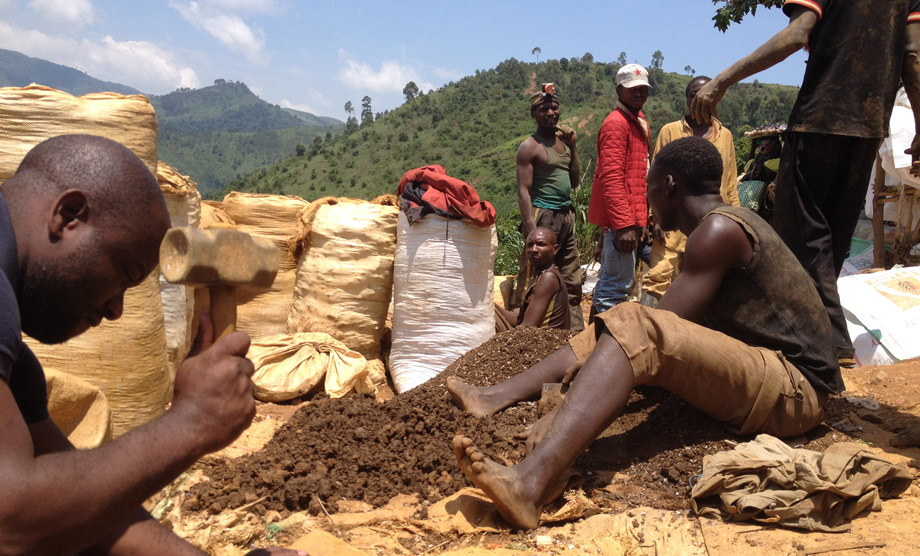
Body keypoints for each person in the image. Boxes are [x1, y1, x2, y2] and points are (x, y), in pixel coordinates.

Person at [447, 137, 840, 530]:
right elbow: (652, 329)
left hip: (798, 390)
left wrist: (566, 406)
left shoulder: (718, 232)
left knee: (635, 323)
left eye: (648, 187)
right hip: (770, 371)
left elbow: (653, 333)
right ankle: (492, 396)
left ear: (668, 185)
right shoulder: (721, 226)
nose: (647, 201)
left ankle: (529, 485)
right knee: (621, 316)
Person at [0, 135, 302, 556]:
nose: (115, 310)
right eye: (125, 271)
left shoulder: (17, 368)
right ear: (69, 216)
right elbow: (12, 522)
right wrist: (192, 422)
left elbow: (83, 514)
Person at [691, 0, 920, 365]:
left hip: (821, 116)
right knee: (835, 236)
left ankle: (833, 340)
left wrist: (724, 79)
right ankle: (820, 339)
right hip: (870, 125)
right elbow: (912, 55)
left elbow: (796, 35)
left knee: (801, 232)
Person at [640, 76, 741, 307]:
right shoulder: (670, 131)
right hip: (672, 229)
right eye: (692, 95)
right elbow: (655, 179)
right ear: (687, 100)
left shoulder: (725, 136)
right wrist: (654, 217)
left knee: (707, 288)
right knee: (657, 280)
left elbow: (730, 184)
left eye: (704, 94)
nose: (698, 99)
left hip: (711, 229)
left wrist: (735, 219)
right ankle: (646, 337)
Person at [515, 83, 585, 332]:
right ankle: (522, 333)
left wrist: (574, 147)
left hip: (565, 216)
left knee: (571, 276)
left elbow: (574, 181)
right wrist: (532, 229)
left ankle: (574, 336)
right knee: (532, 278)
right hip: (542, 215)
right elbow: (523, 190)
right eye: (544, 109)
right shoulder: (530, 147)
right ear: (533, 114)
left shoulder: (564, 144)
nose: (551, 113)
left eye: (554, 108)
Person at [588, 64, 651, 317]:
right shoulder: (617, 124)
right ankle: (600, 347)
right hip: (621, 223)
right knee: (616, 288)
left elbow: (640, 174)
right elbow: (611, 178)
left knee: (620, 282)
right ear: (619, 90)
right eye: (632, 89)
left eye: (643, 89)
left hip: (632, 219)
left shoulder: (638, 120)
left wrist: (642, 220)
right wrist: (624, 225)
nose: (639, 93)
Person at [497, 227, 571, 330]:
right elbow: (521, 319)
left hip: (545, 342)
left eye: (541, 244)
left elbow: (527, 327)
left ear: (555, 249)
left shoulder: (548, 278)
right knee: (487, 310)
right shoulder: (540, 275)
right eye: (530, 245)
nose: (534, 250)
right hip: (532, 336)